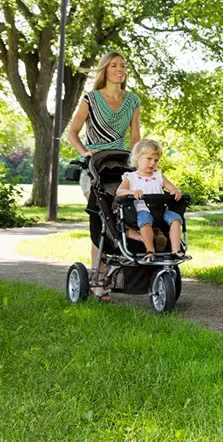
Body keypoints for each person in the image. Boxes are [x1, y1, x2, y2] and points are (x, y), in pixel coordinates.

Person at [67, 52, 142, 300]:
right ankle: (97, 277)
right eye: (114, 65)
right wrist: (85, 153)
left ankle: (121, 267)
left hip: (122, 167)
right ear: (104, 70)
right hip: (95, 169)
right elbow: (73, 133)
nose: (119, 69)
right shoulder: (91, 99)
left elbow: (134, 137)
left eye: (123, 65)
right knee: (102, 216)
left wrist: (137, 162)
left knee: (123, 216)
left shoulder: (132, 100)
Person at [116, 139, 185, 263]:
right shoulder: (131, 177)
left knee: (176, 219)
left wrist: (176, 191)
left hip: (161, 210)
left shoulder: (158, 175)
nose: (152, 163)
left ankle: (176, 250)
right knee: (144, 220)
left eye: (156, 160)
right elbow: (119, 191)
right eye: (149, 159)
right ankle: (150, 251)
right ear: (137, 157)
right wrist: (132, 192)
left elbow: (171, 188)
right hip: (143, 210)